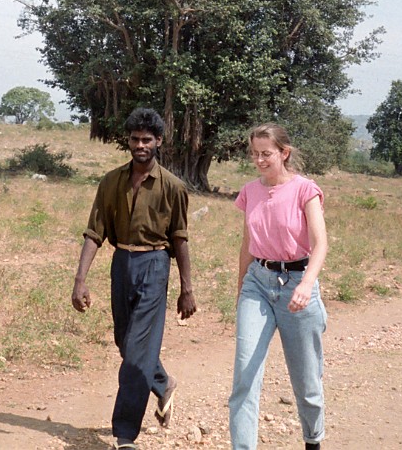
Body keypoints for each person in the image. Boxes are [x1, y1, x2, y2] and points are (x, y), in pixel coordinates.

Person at [71, 107, 197, 450]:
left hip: (155, 264)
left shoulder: (172, 186)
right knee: (125, 342)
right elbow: (94, 232)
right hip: (121, 262)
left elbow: (180, 239)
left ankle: (124, 434)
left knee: (138, 351)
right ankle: (162, 382)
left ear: (158, 141)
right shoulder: (111, 181)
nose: (140, 145)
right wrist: (79, 280)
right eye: (134, 139)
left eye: (147, 139)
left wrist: (187, 289)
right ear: (128, 141)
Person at [228, 123, 329, 450]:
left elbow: (320, 243)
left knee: (307, 382)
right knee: (245, 375)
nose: (259, 160)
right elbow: (247, 244)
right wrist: (241, 288)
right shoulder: (250, 191)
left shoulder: (305, 190)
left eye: (266, 153)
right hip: (258, 283)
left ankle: (313, 440)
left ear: (283, 153)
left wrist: (307, 283)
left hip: (298, 284)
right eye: (254, 153)